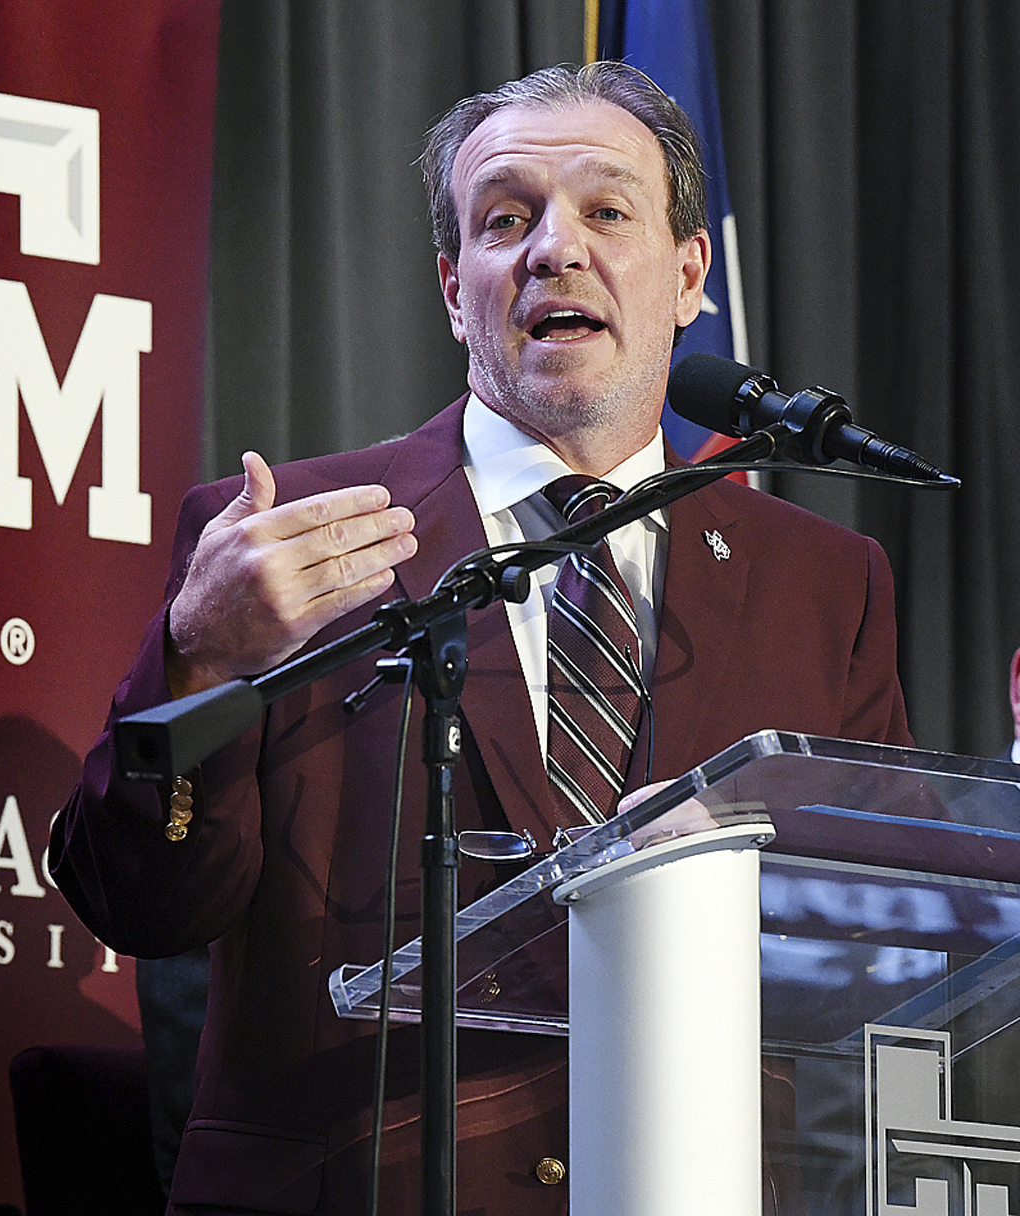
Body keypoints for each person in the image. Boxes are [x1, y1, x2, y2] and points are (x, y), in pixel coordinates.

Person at [50, 61, 912, 1215]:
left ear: (688, 275)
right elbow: (143, 903)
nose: (555, 248)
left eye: (606, 211)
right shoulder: (281, 536)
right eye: (507, 220)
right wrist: (198, 654)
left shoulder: (823, 582)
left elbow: (884, 944)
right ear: (456, 288)